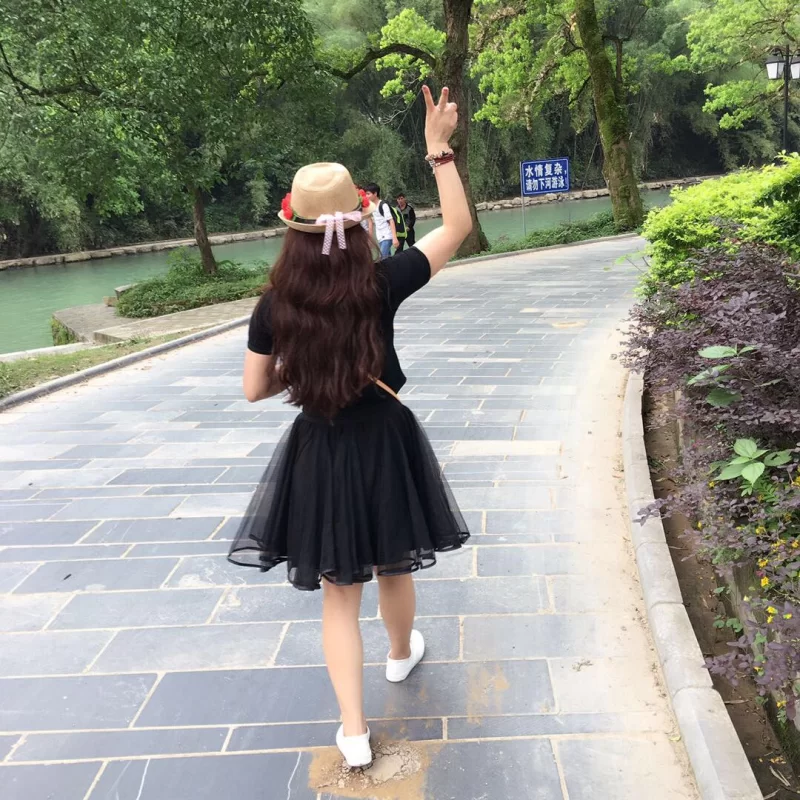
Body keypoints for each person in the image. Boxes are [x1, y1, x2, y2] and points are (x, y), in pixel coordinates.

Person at [230, 85, 472, 769]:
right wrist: (438, 150)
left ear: (294, 230)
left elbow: (254, 388)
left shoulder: (275, 305)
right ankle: (399, 654)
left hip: (321, 446)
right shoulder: (381, 283)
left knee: (340, 597)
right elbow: (456, 227)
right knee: (394, 559)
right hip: (385, 440)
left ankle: (355, 732)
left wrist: (306, 369)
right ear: (360, 219)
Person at [364, 182, 399, 258]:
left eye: (368, 194)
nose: (366, 196)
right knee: (387, 259)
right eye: (366, 194)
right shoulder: (371, 206)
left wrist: (394, 238)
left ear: (375, 194)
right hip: (380, 237)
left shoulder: (383, 205)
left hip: (387, 236)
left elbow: (391, 221)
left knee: (382, 258)